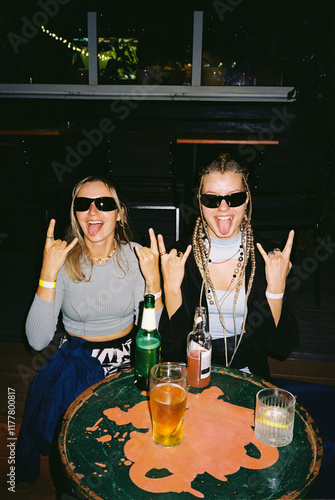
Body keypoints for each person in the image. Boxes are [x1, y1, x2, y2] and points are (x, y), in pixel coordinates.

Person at [16, 175, 162, 485]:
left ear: (119, 212)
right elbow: (37, 339)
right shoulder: (64, 259)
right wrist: (47, 272)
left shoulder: (137, 256)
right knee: (83, 456)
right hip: (77, 361)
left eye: (104, 204)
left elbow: (155, 332)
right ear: (75, 213)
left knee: (136, 449)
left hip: (128, 359)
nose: (93, 212)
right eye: (83, 204)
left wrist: (154, 283)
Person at [158, 153, 299, 380]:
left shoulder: (270, 258)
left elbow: (280, 346)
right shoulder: (179, 257)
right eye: (212, 199)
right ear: (199, 201)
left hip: (246, 373)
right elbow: (170, 346)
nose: (223, 208)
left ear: (247, 199)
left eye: (234, 198)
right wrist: (171, 289)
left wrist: (275, 290)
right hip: (191, 373)